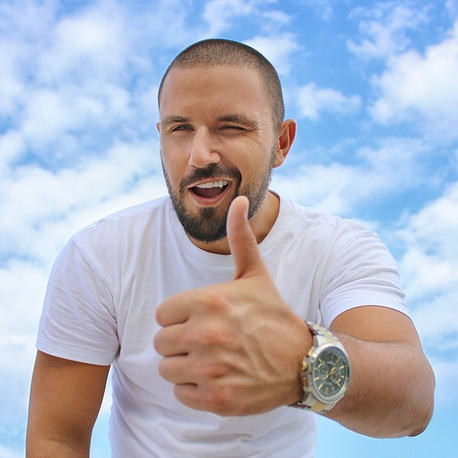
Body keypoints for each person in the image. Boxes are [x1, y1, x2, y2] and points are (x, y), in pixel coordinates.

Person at [26, 38, 435, 457]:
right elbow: (57, 437)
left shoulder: (338, 248)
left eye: (232, 127)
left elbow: (414, 402)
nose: (200, 155)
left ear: (281, 143)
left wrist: (303, 360)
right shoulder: (98, 255)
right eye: (180, 128)